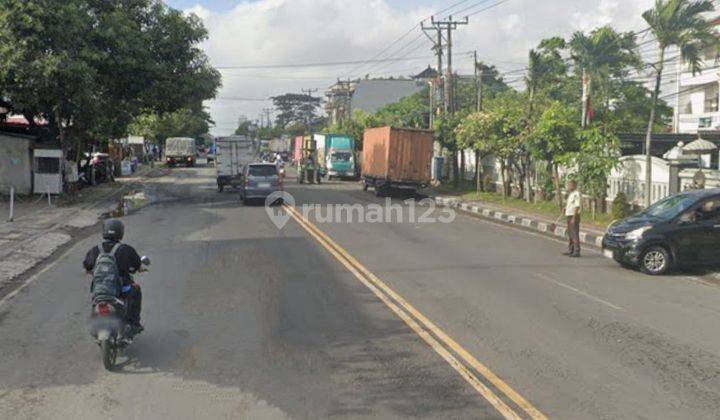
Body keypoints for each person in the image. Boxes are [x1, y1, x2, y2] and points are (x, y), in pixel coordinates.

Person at [83, 219, 144, 332]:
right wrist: (139, 268)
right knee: (136, 289)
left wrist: (91, 271)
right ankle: (134, 323)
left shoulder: (95, 250)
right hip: (122, 289)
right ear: (121, 232)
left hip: (100, 289)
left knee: (95, 299)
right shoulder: (126, 249)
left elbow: (87, 266)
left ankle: (96, 325)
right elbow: (137, 264)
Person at [562, 180, 582, 257]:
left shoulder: (576, 194)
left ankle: (577, 251)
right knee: (570, 233)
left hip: (574, 216)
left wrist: (574, 218)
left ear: (574, 186)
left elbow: (577, 206)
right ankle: (571, 249)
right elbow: (570, 204)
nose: (569, 186)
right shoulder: (570, 194)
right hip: (569, 215)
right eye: (568, 185)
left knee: (574, 233)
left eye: (571, 185)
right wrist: (565, 208)